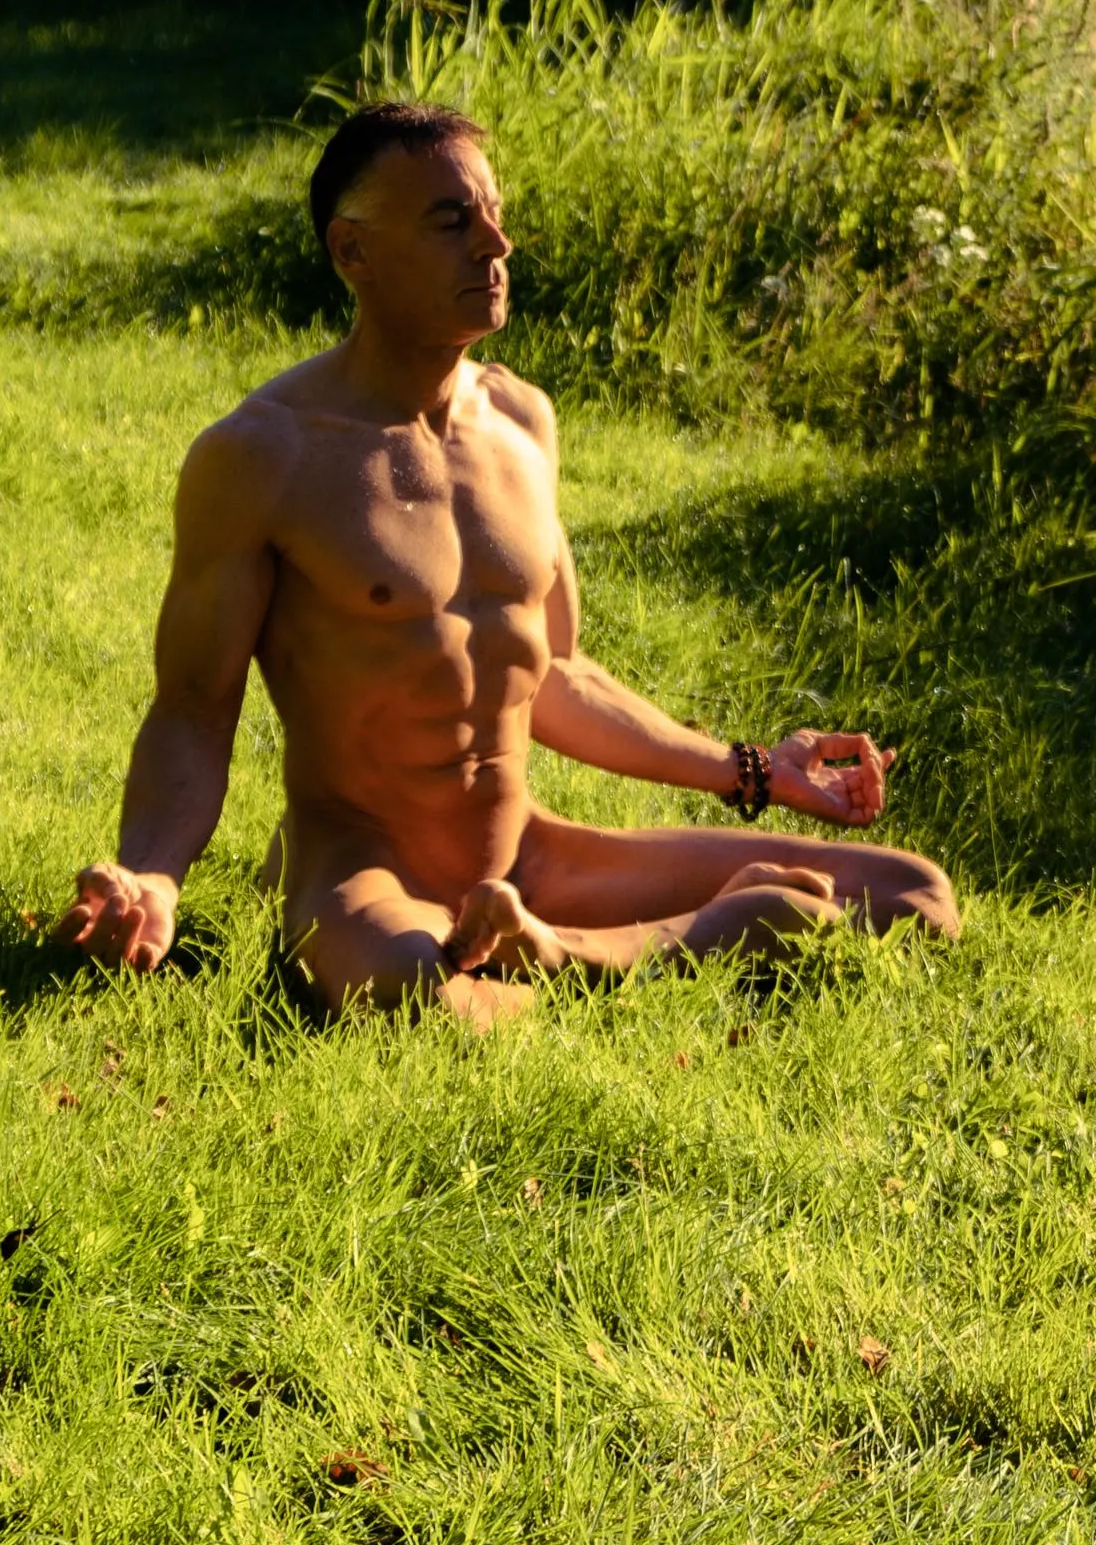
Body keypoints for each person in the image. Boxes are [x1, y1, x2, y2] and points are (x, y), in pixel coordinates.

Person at [55, 98, 961, 1027]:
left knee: (916, 896)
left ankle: (567, 946)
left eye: (494, 216)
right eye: (451, 223)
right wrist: (153, 875)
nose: (496, 245)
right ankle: (704, 933)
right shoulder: (262, 456)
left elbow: (554, 676)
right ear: (351, 252)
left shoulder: (522, 424)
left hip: (525, 857)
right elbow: (194, 711)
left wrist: (758, 768)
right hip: (367, 871)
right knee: (425, 1001)